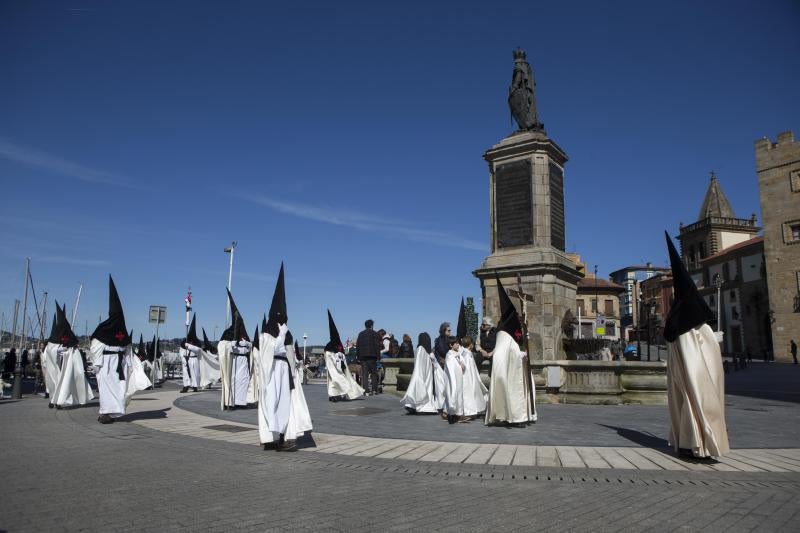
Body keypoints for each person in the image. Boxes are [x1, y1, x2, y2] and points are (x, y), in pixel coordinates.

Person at [663, 232, 729, 460]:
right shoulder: (694, 320)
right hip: (695, 374)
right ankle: (697, 442)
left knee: (688, 401)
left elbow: (678, 348)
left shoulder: (678, 318)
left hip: (687, 374)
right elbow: (703, 360)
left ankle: (691, 442)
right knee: (697, 400)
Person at [258, 263, 313, 452]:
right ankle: (269, 437)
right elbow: (272, 350)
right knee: (271, 402)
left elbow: (289, 354)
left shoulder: (287, 333)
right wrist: (280, 335)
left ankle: (284, 437)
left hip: (284, 372)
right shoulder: (268, 332)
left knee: (285, 404)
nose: (282, 320)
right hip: (272, 371)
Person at [91, 276, 150, 424]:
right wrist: (97, 364)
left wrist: (129, 363)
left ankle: (114, 412)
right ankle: (105, 412)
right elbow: (96, 346)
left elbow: (127, 348)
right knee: (106, 388)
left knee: (118, 388)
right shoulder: (103, 330)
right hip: (106, 363)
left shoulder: (114, 330)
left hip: (119, 363)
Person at [484, 273, 537, 427]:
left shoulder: (507, 333)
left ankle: (526, 414)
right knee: (514, 391)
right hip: (511, 374)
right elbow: (511, 353)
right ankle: (516, 417)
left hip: (516, 371)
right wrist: (521, 353)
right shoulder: (504, 336)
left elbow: (517, 345)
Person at [47, 303, 94, 408]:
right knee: (55, 381)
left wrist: (69, 350)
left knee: (65, 381)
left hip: (66, 362)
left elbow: (73, 348)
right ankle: (53, 400)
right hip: (56, 364)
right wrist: (61, 349)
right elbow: (51, 350)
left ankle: (58, 401)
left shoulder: (69, 336)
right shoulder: (54, 338)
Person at [216, 290, 251, 410]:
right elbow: (224, 347)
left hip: (243, 362)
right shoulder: (228, 334)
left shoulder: (245, 337)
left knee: (244, 381)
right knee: (233, 381)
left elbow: (249, 348)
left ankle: (242, 402)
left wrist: (243, 343)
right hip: (233, 362)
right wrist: (232, 344)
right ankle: (231, 401)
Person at [324, 309, 364, 401]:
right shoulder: (336, 345)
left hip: (334, 361)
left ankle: (333, 394)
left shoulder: (329, 345)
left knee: (333, 378)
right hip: (334, 361)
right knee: (336, 377)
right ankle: (335, 394)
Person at [401, 332, 444, 414]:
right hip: (425, 375)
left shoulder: (420, 349)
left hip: (423, 374)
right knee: (426, 389)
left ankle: (414, 405)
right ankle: (422, 406)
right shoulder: (425, 350)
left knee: (423, 389)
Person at [460, 337, 488, 418]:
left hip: (470, 378)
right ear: (471, 345)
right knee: (472, 394)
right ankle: (471, 410)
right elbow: (469, 369)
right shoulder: (467, 355)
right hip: (470, 378)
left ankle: (474, 409)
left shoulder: (466, 353)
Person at [443, 336, 469, 423]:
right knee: (452, 394)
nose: (458, 345)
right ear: (451, 345)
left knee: (459, 395)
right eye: (456, 343)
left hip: (459, 379)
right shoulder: (449, 355)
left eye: (458, 343)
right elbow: (450, 369)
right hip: (453, 379)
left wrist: (462, 365)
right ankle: (455, 414)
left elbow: (463, 364)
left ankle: (457, 413)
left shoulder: (458, 354)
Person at [356, 319, 382, 396]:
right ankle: (374, 389)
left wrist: (358, 356)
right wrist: (378, 357)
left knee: (365, 374)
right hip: (373, 356)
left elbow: (358, 346)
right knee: (374, 374)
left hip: (363, 357)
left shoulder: (361, 334)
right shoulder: (375, 334)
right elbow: (377, 346)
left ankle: (366, 390)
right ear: (372, 325)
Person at [179, 315, 202, 393]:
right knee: (186, 374)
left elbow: (198, 349)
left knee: (195, 374)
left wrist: (188, 346)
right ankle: (186, 386)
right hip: (186, 359)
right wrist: (183, 359)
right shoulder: (185, 341)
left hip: (194, 359)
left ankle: (195, 386)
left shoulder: (197, 342)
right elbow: (181, 350)